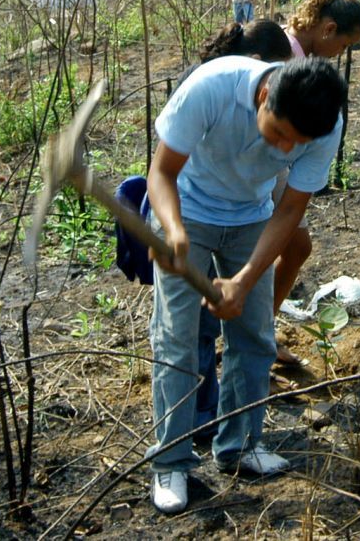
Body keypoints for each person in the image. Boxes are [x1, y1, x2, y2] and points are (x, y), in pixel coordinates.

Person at [146, 56, 346, 514]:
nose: (284, 149)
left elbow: (291, 209)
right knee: (176, 337)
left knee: (255, 335)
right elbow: (161, 173)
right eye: (278, 133)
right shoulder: (211, 88)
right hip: (188, 209)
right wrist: (175, 232)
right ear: (263, 96)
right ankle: (171, 461)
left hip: (253, 216)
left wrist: (244, 279)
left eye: (296, 143)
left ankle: (240, 445)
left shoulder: (324, 125)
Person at [272, 0, 360, 349]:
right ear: (327, 30)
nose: (340, 54)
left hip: (277, 166)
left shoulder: (294, 50)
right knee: (285, 246)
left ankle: (261, 324)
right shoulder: (285, 58)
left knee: (296, 247)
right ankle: (255, 331)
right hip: (262, 166)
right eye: (344, 46)